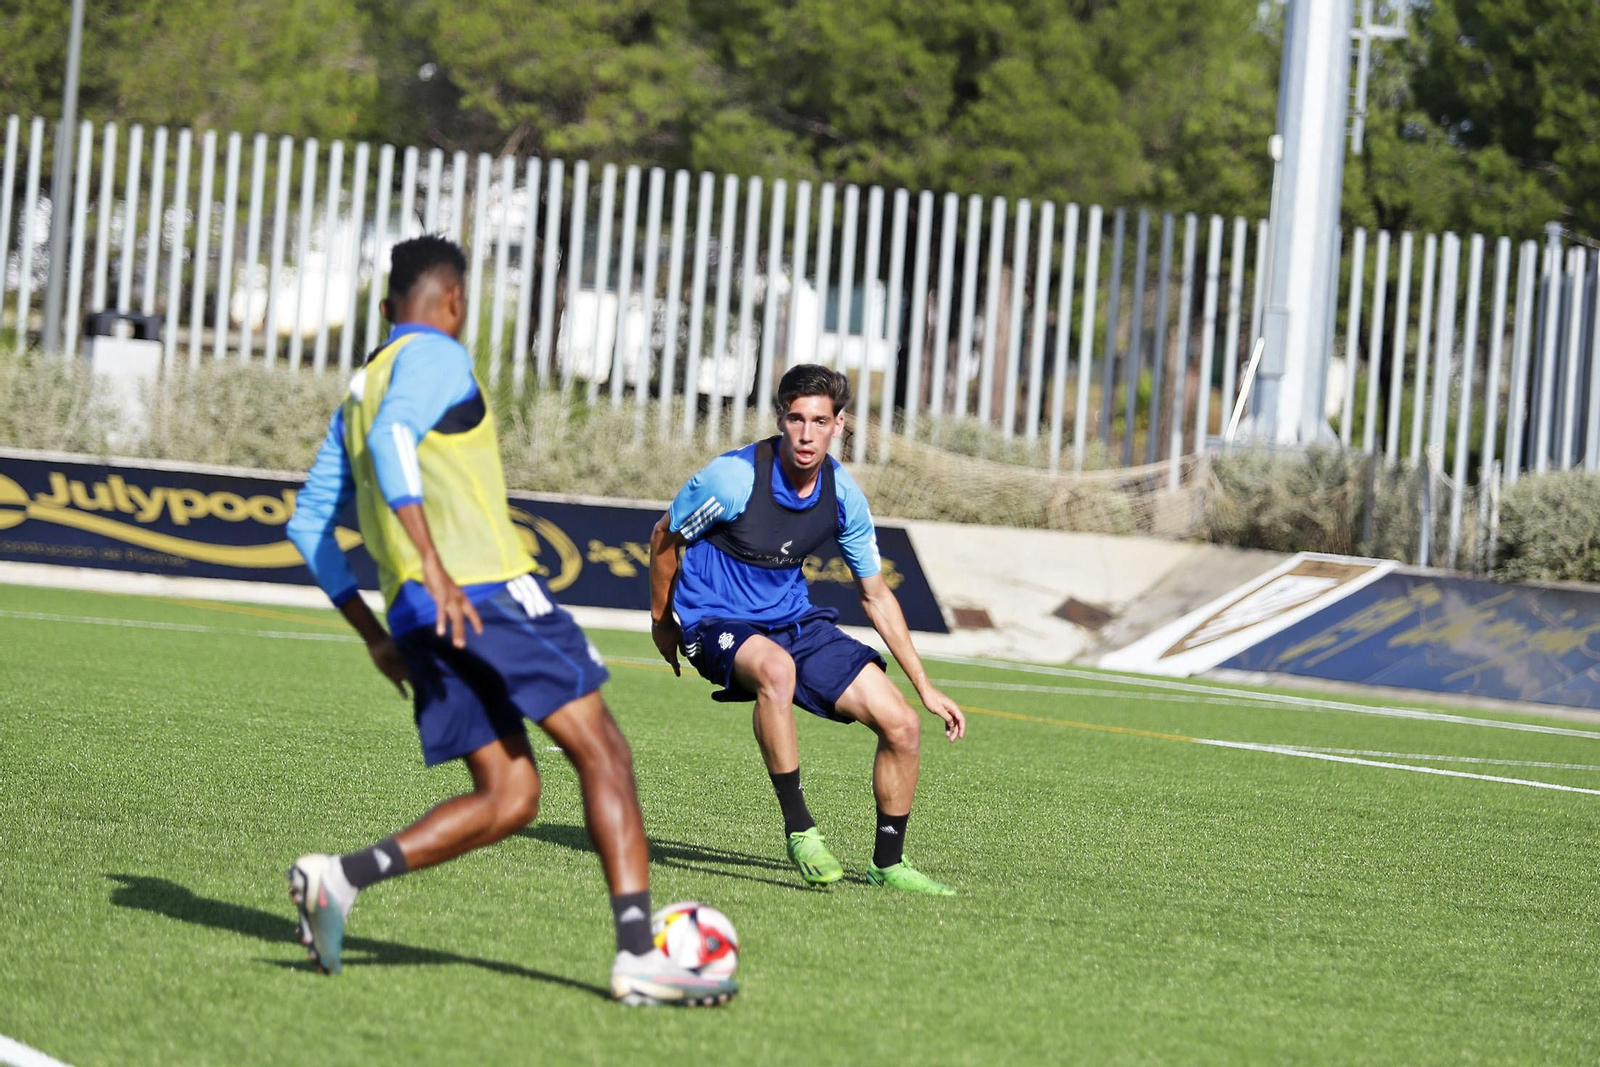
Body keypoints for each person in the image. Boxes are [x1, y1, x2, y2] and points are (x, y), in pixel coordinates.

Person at [284, 235, 733, 1006]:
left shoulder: (361, 386)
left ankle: (341, 879)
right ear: (454, 302)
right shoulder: (438, 357)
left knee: (511, 795)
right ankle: (637, 955)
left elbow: (308, 526)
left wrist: (376, 634)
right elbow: (396, 439)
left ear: (389, 307)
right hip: (483, 592)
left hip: (420, 617)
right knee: (605, 749)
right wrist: (433, 561)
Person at [648, 363, 966, 895]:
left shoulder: (843, 496)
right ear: (781, 418)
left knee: (903, 726)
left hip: (793, 620)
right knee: (776, 670)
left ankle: (888, 862)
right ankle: (801, 829)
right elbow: (664, 537)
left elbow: (876, 596)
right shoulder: (732, 479)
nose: (806, 433)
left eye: (819, 421)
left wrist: (925, 686)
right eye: (796, 419)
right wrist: (663, 623)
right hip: (715, 621)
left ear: (838, 424)